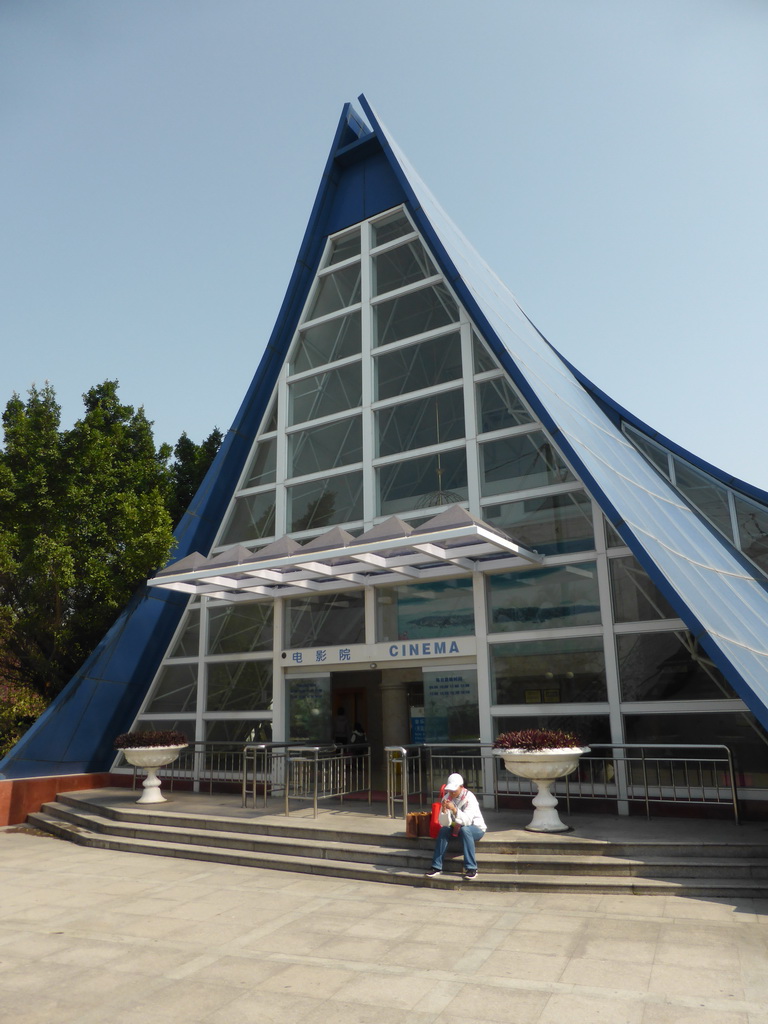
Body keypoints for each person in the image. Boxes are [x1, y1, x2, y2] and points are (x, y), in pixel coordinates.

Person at [425, 772, 486, 881]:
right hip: (456, 828)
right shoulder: (446, 797)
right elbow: (444, 823)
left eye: (454, 790)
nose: (452, 793)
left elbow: (467, 821)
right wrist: (444, 811)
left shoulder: (469, 797)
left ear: (461, 787)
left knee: (465, 830)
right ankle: (436, 866)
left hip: (475, 828)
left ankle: (471, 868)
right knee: (444, 830)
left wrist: (454, 809)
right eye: (450, 790)